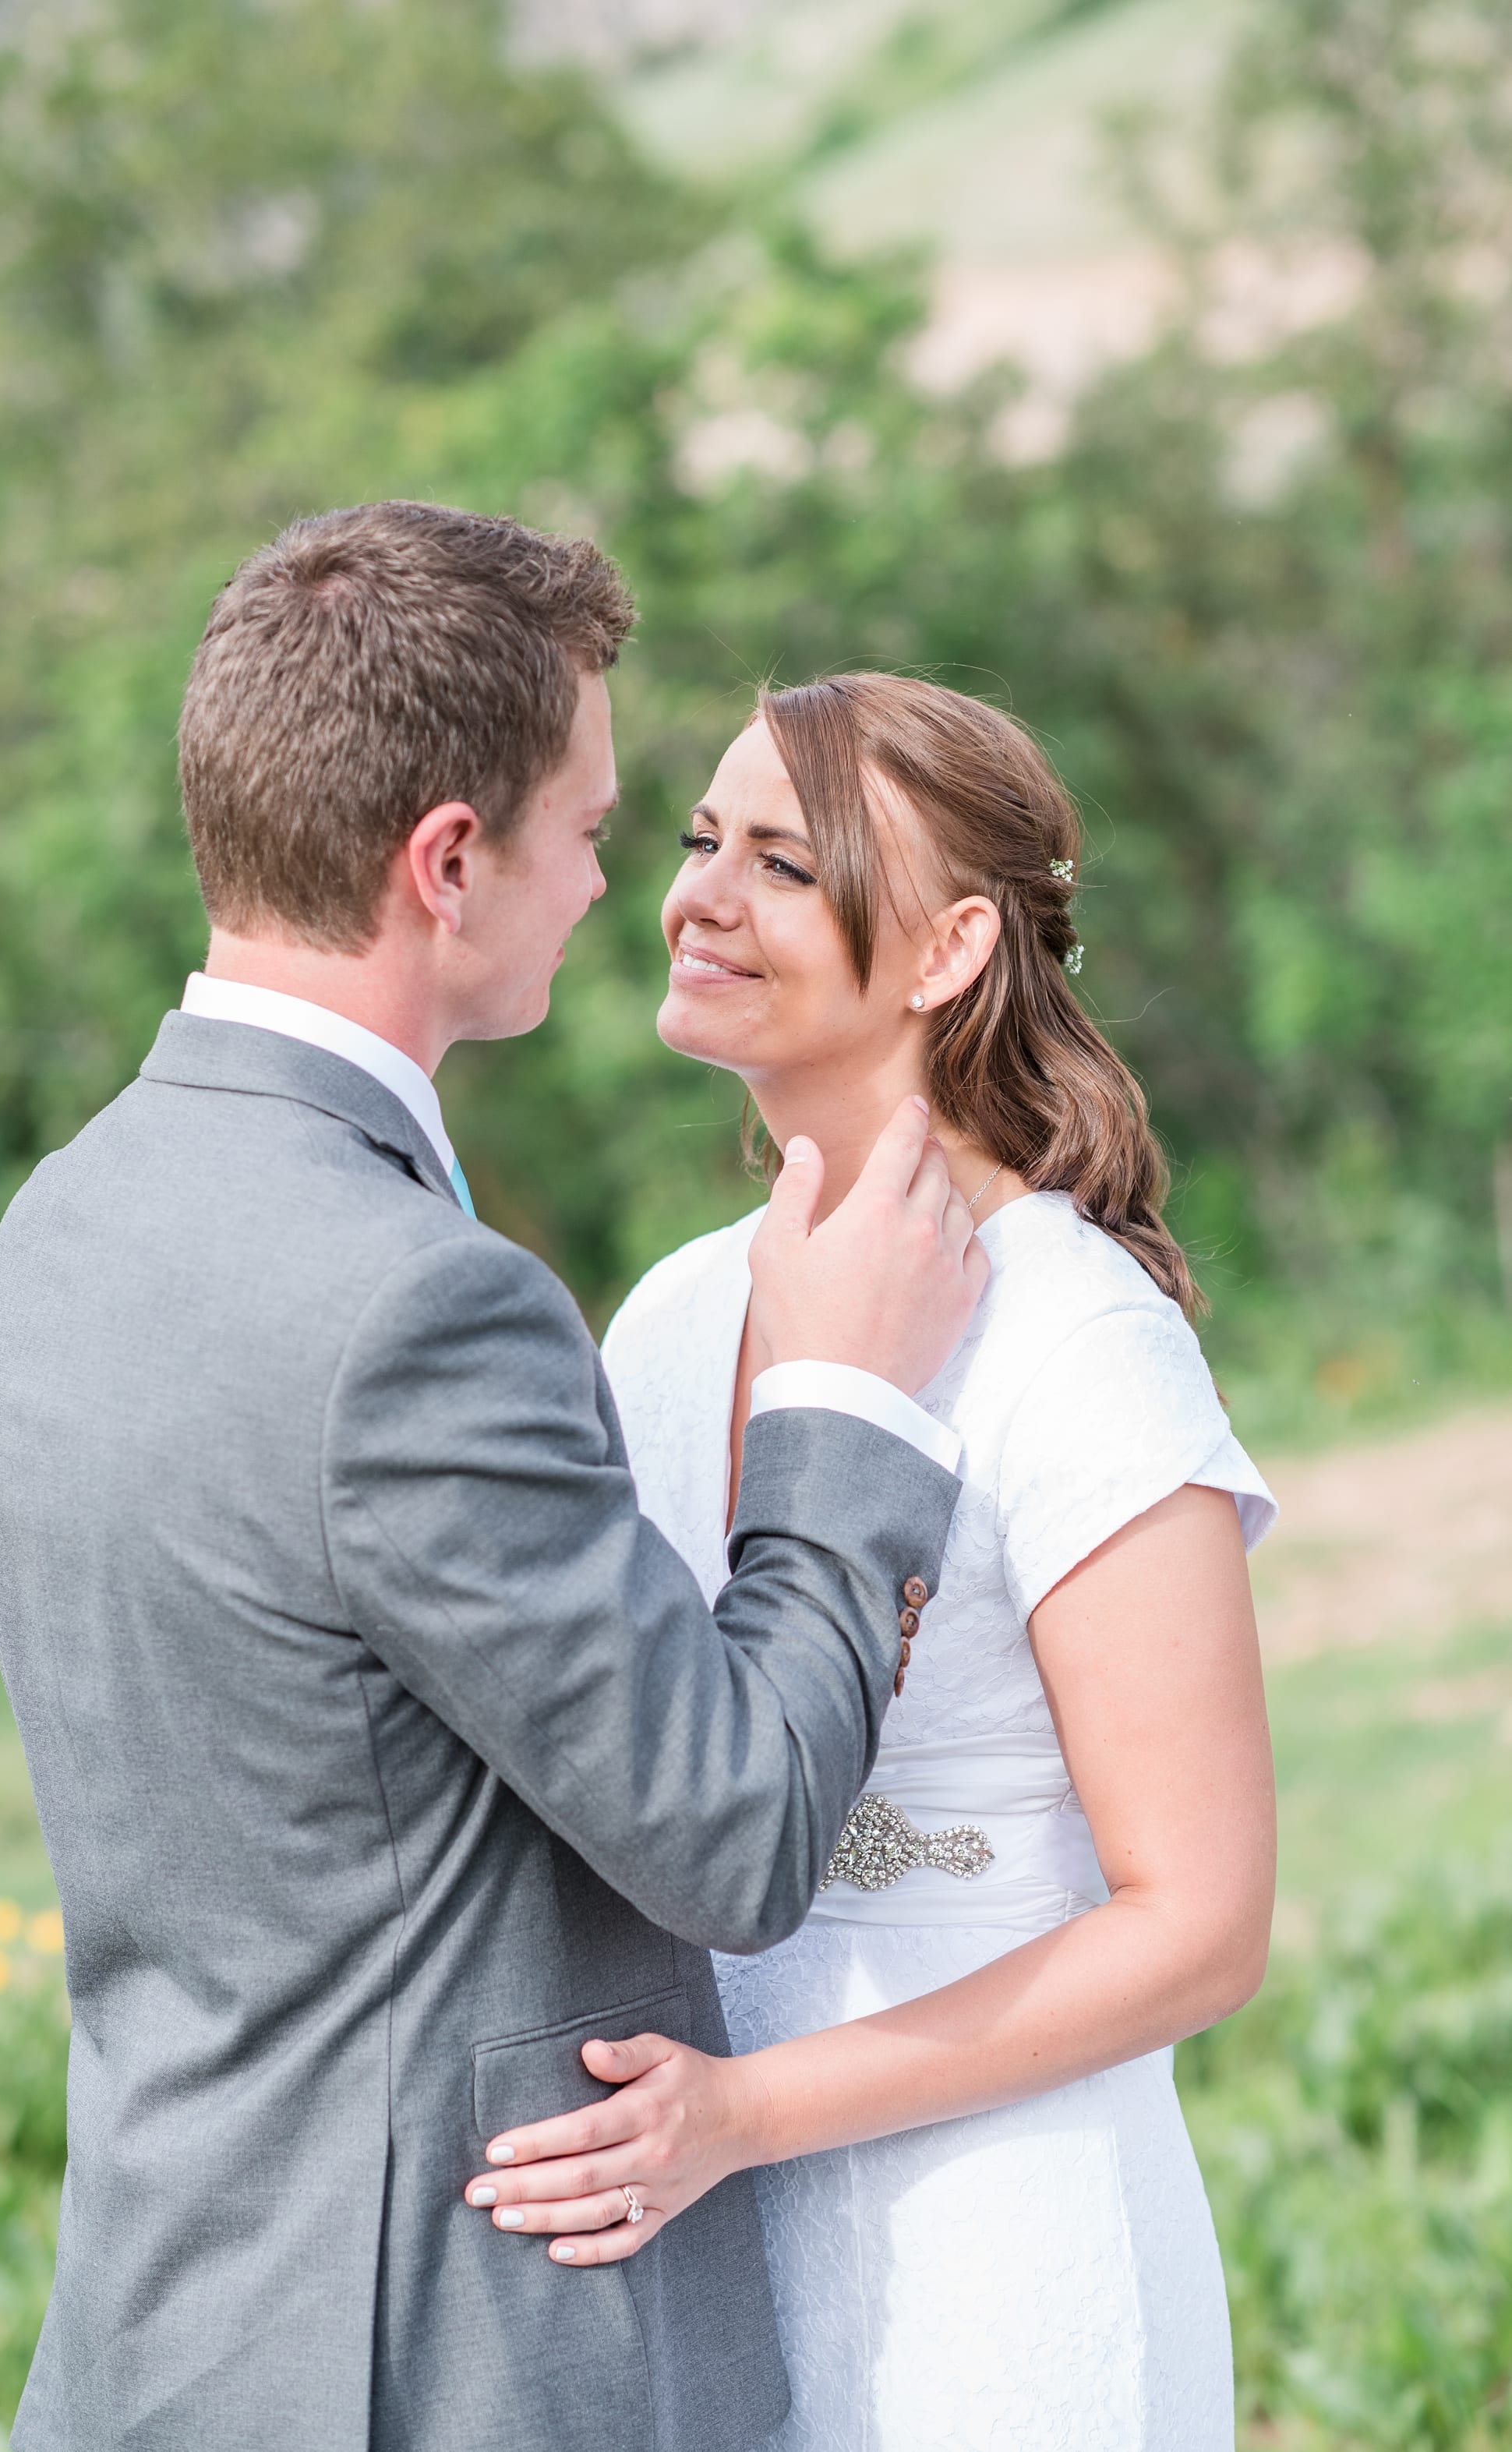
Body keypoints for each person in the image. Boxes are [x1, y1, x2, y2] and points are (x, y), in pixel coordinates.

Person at [0, 518, 990, 2452]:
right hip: (441, 2362)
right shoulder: (419, 1305)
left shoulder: (65, 1218)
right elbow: (740, 1832)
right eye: (590, 829)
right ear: (448, 862)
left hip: (153, 2333)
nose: (616, 881)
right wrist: (849, 1401)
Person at [460, 673, 1280, 2451]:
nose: (696, 896)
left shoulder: (1077, 1339)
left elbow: (1202, 1926)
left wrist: (750, 2112)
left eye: (782, 858)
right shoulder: (668, 1318)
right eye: (692, 843)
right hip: (716, 2250)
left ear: (950, 945)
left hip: (1002, 2246)